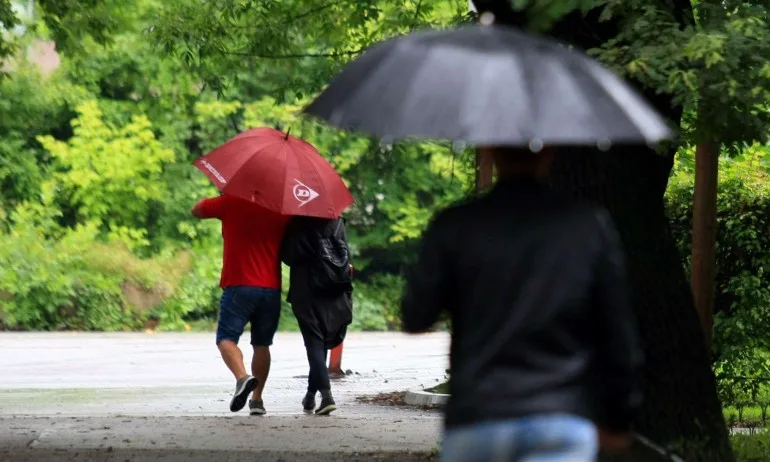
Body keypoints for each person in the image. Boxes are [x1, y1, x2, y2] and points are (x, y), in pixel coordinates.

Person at [401, 146, 644, 461]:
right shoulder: (586, 227)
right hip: (561, 416)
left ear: (488, 152)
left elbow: (416, 315)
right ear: (551, 153)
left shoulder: (455, 225)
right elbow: (618, 336)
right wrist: (618, 418)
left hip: (477, 417)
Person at [191, 193, 290, 415]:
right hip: (271, 288)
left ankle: (242, 378)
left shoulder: (231, 201)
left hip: (239, 286)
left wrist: (222, 197)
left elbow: (196, 210)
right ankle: (257, 400)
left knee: (226, 339)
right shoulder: (279, 207)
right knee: (262, 344)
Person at [281, 216, 353, 415]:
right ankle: (311, 393)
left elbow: (289, 256)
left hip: (307, 289)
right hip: (334, 288)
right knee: (322, 340)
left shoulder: (298, 221)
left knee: (314, 341)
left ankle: (327, 396)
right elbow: (345, 254)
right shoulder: (337, 221)